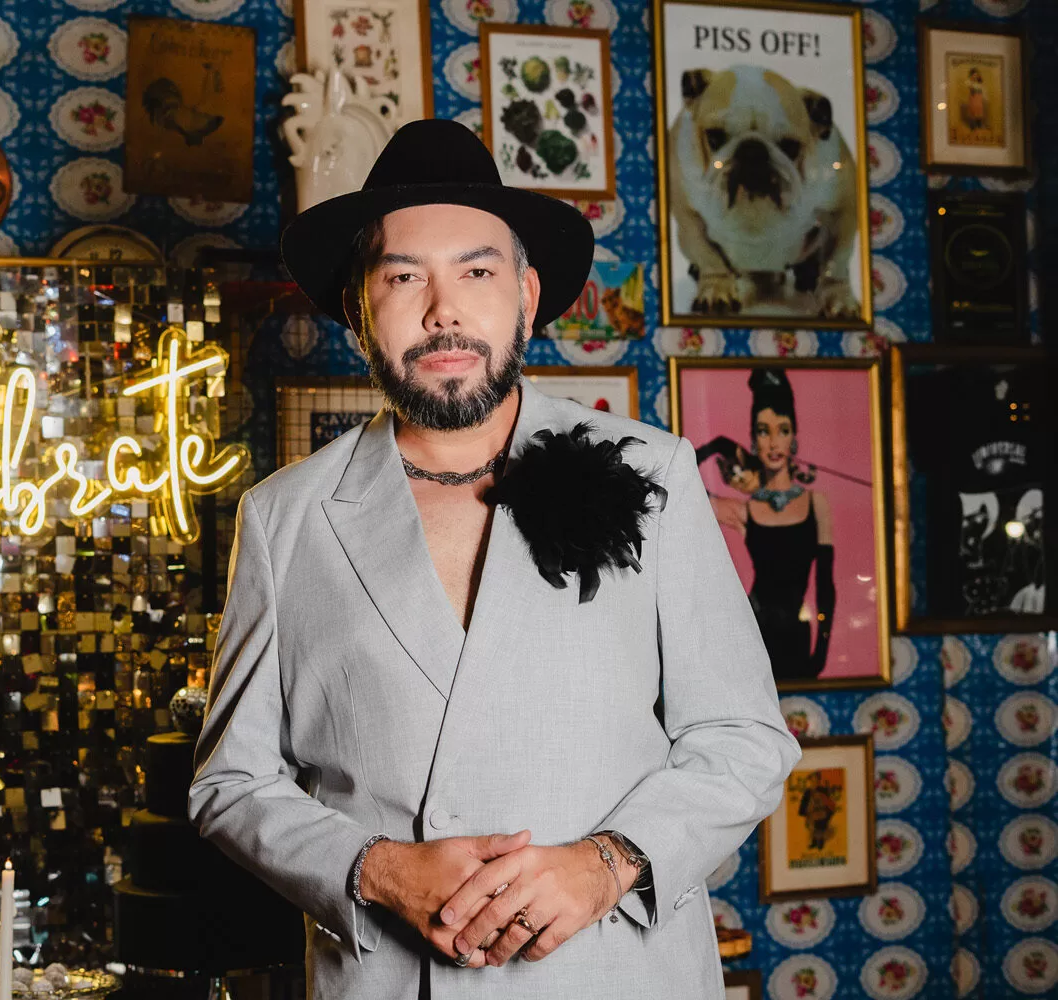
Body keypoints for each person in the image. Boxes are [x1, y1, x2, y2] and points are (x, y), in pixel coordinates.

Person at [188, 119, 800, 998]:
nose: (444, 309)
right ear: (357, 310)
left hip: (613, 977)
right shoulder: (284, 518)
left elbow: (744, 739)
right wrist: (376, 869)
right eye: (404, 276)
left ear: (526, 293)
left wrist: (606, 865)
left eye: (476, 272)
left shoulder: (652, 473)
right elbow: (232, 783)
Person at [694, 369, 836, 684]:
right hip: (751, 636)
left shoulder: (817, 504)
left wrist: (822, 650)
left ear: (794, 437)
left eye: (782, 430)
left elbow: (825, 584)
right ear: (753, 440)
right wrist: (718, 445)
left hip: (798, 638)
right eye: (763, 431)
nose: (773, 443)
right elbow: (686, 489)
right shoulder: (745, 511)